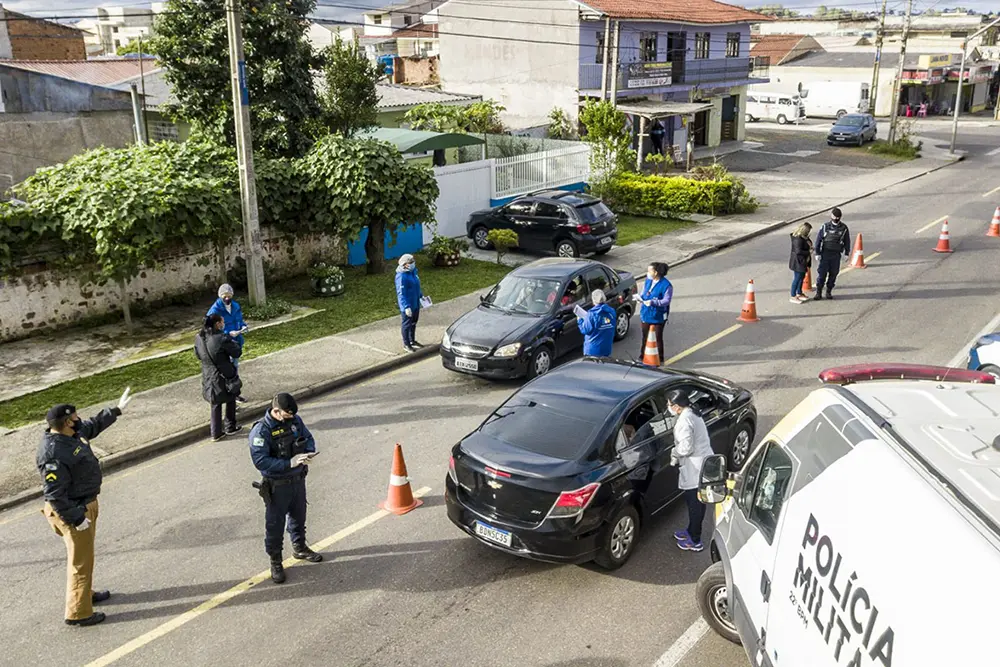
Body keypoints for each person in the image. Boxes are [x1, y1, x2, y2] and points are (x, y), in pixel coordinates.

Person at [37, 388, 133, 626]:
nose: (80, 419)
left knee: (85, 558)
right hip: (74, 509)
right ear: (68, 422)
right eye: (76, 417)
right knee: (80, 562)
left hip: (84, 503)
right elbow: (54, 494)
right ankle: (79, 612)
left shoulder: (71, 434)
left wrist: (115, 411)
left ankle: (85, 595)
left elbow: (92, 426)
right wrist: (77, 518)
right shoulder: (54, 453)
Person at [249, 393, 323, 584]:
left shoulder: (295, 421)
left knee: (299, 516)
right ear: (276, 411)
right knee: (275, 525)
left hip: (297, 481)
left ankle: (299, 547)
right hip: (277, 486)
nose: (290, 418)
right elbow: (260, 460)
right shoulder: (261, 431)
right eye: (286, 415)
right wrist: (288, 463)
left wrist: (309, 452)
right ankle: (275, 561)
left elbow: (307, 437)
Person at [667, 390, 713, 552]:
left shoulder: (684, 421)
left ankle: (695, 539)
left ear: (677, 407)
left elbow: (685, 448)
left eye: (669, 404)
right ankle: (690, 530)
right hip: (702, 465)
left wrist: (674, 452)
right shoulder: (693, 413)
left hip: (696, 468)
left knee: (695, 504)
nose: (668, 407)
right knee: (697, 503)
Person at [194, 314, 243, 442]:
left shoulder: (199, 337)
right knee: (231, 395)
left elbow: (198, 354)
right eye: (222, 322)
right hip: (224, 373)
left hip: (208, 374)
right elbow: (237, 352)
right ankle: (230, 426)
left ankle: (215, 432)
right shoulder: (221, 338)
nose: (223, 324)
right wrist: (233, 340)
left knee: (215, 401)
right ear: (217, 324)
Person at [207, 284, 248, 403]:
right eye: (224, 296)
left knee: (235, 369)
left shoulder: (235, 306)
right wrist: (228, 333)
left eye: (229, 296)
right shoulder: (215, 310)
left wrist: (243, 326)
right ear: (220, 296)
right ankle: (227, 396)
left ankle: (235, 394)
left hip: (236, 343)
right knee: (226, 373)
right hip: (224, 345)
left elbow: (239, 320)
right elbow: (211, 329)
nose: (227, 298)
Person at [637, 262, 673, 365]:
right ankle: (642, 355)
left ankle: (660, 358)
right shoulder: (648, 281)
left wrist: (653, 302)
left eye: (649, 271)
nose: (647, 273)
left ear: (656, 272)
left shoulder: (666, 286)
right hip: (646, 313)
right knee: (645, 336)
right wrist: (640, 298)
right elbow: (643, 293)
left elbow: (666, 301)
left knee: (657, 337)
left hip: (658, 315)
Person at [814, 208, 851, 301]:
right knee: (822, 274)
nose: (836, 218)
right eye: (835, 217)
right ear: (831, 216)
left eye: (838, 217)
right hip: (825, 253)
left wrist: (847, 253)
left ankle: (828, 291)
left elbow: (847, 241)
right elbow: (818, 240)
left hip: (836, 255)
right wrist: (817, 253)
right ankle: (818, 292)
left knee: (833, 274)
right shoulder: (825, 226)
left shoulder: (844, 228)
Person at [395, 254, 423, 353]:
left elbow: (416, 286)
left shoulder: (413, 273)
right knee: (407, 324)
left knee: (414, 322)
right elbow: (401, 294)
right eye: (410, 262)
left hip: (415, 303)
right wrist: (406, 307)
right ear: (405, 265)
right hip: (408, 305)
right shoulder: (401, 276)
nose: (413, 263)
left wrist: (421, 295)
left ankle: (412, 340)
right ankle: (406, 344)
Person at [577, 289, 617, 358]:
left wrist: (579, 320)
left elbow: (585, 330)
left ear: (593, 300)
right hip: (606, 348)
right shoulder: (612, 311)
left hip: (592, 350)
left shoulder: (591, 314)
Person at [788, 222, 813, 304]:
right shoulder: (798, 239)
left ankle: (799, 292)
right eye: (808, 231)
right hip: (798, 262)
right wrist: (809, 252)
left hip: (803, 261)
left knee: (801, 277)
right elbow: (798, 251)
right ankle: (793, 295)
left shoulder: (804, 238)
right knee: (797, 278)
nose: (809, 232)